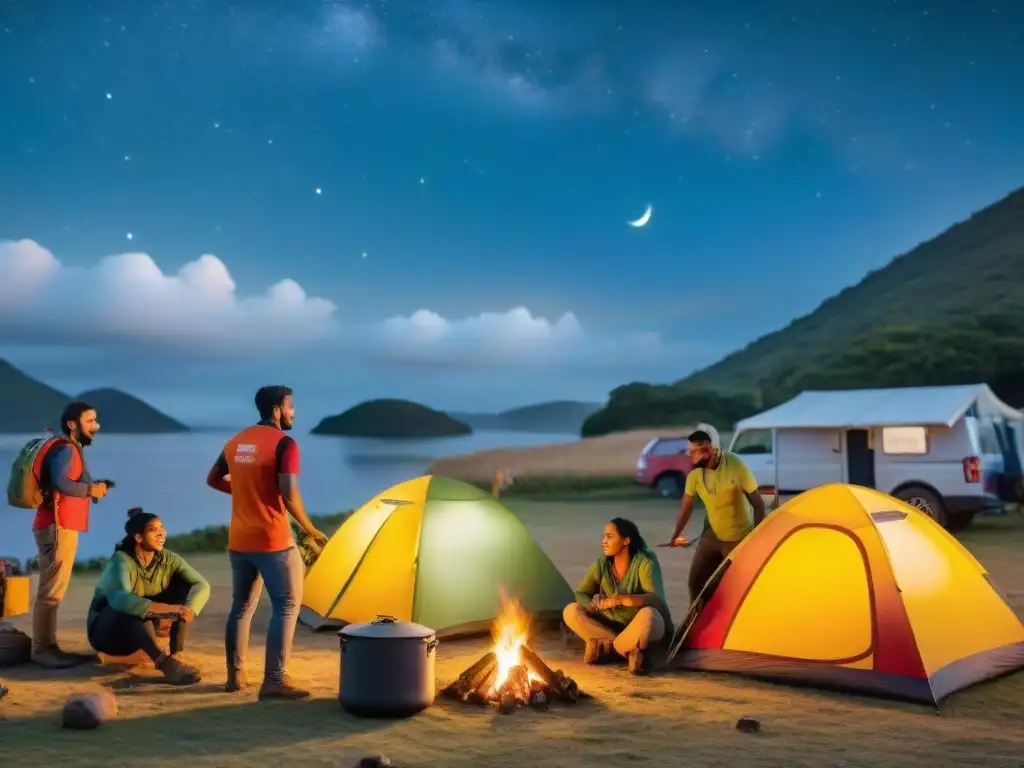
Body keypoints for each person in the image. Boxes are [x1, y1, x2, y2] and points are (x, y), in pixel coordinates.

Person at [206, 385, 328, 700]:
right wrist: (310, 528)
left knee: (241, 607)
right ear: (276, 409)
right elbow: (288, 493)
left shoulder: (236, 442)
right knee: (287, 606)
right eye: (290, 407)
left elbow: (213, 479)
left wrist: (249, 493)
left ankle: (235, 677)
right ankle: (274, 680)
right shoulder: (284, 444)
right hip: (273, 541)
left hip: (239, 540)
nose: (293, 413)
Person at [87, 508, 210, 685]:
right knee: (130, 606)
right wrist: (167, 610)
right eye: (154, 529)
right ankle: (164, 663)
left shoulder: (168, 559)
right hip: (107, 632)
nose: (162, 533)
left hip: (142, 631)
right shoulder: (120, 561)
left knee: (183, 585)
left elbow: (201, 584)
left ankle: (177, 655)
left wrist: (189, 609)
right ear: (138, 537)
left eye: (162, 528)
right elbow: (121, 600)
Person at [31, 401, 112, 669]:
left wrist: (93, 487)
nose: (96, 426)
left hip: (57, 525)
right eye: (90, 421)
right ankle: (42, 650)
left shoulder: (67, 448)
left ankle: (49, 646)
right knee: (51, 591)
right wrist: (90, 491)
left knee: (52, 589)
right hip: (57, 526)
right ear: (72, 424)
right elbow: (60, 482)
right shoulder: (66, 449)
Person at [664, 430, 766, 604]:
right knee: (695, 582)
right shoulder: (695, 475)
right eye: (691, 452)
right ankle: (695, 623)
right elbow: (686, 508)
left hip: (738, 538)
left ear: (711, 449)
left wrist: (753, 540)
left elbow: (758, 504)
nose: (694, 457)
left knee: (732, 588)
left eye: (698, 451)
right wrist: (675, 535)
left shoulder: (736, 465)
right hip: (711, 535)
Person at [562, 518, 672, 675]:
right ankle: (624, 649)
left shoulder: (645, 563)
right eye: (604, 537)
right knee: (571, 611)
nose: (603, 542)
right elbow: (580, 594)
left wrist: (622, 599)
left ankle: (607, 648)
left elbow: (656, 601)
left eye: (609, 537)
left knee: (650, 616)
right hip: (611, 629)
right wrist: (593, 604)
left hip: (636, 627)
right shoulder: (602, 564)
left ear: (626, 541)